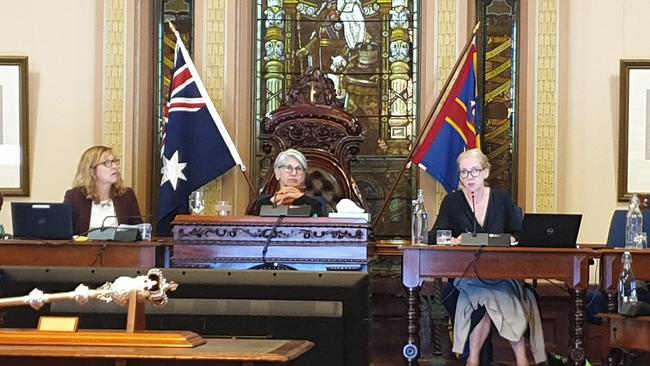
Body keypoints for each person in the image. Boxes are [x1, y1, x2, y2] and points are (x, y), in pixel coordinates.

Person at [429, 148, 546, 366]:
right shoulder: (452, 202)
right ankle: (522, 360)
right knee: (488, 295)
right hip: (468, 276)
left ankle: (473, 361)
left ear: (486, 173)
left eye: (474, 171)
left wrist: (511, 239)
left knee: (490, 295)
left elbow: (519, 233)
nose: (469, 177)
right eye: (463, 173)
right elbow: (434, 235)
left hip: (504, 275)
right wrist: (452, 239)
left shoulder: (501, 200)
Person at [64, 145, 142, 235]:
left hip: (120, 249)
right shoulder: (75, 196)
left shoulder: (126, 195)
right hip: (84, 249)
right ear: (91, 170)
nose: (114, 166)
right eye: (107, 163)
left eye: (115, 162)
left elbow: (139, 232)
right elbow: (65, 234)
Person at [250, 149, 325, 217]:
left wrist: (299, 198)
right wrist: (275, 201)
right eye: (289, 168)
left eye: (299, 169)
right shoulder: (263, 204)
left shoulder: (315, 205)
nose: (294, 173)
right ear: (277, 172)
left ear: (303, 175)